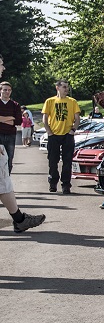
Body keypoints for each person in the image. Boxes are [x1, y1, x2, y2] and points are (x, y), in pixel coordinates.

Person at [0, 55, 45, 232]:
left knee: (3, 181)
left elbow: (16, 120)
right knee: (3, 181)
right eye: (1, 64)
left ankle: (19, 219)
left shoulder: (14, 104)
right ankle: (19, 220)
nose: (3, 68)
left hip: (7, 139)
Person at [42, 79, 81, 194]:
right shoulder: (50, 101)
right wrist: (49, 131)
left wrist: (73, 130)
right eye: (64, 87)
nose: (66, 89)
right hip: (53, 134)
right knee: (52, 161)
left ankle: (66, 185)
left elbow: (77, 118)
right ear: (57, 88)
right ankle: (53, 182)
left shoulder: (72, 101)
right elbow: (45, 118)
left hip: (67, 134)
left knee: (67, 161)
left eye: (67, 87)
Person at [0, 80, 22, 173]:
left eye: (9, 90)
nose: (7, 92)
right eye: (5, 90)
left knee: (9, 158)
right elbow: (13, 120)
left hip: (10, 135)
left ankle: (7, 180)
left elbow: (18, 121)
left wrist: (1, 119)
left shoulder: (15, 105)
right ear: (0, 91)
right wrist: (10, 118)